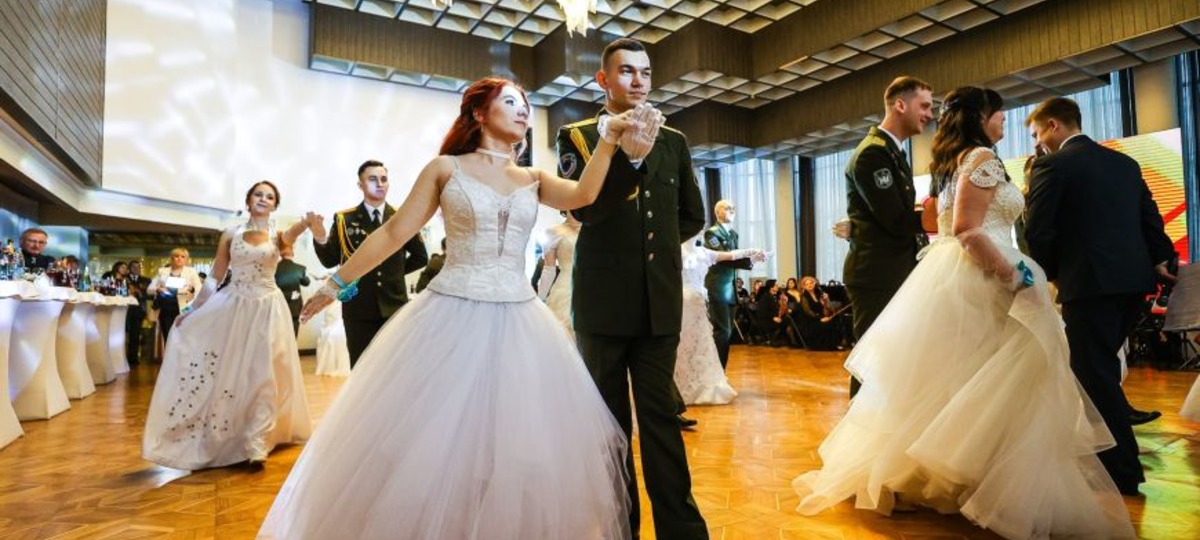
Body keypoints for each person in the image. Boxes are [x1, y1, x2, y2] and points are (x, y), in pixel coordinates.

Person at [258, 77, 643, 539]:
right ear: (479, 113)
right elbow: (393, 232)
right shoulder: (445, 169)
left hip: (521, 320)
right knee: (437, 443)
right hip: (450, 316)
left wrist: (608, 139)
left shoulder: (534, 179)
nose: (523, 110)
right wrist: (337, 281)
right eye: (510, 102)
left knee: (513, 442)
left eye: (525, 104)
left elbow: (584, 195)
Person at [793, 87, 1134, 539]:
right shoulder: (981, 159)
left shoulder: (958, 161)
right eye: (999, 114)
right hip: (984, 275)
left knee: (961, 380)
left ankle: (959, 473)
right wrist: (1013, 275)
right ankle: (983, 479)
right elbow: (967, 230)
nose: (1004, 121)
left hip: (956, 275)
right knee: (999, 379)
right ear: (980, 117)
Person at [556, 37, 709, 539]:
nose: (638, 80)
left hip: (658, 303)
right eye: (626, 71)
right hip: (601, 305)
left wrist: (655, 252)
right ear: (603, 79)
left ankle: (682, 531)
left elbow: (691, 215)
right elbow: (582, 210)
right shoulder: (578, 137)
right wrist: (630, 164)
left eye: (645, 72)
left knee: (662, 422)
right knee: (610, 428)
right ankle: (621, 529)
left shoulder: (674, 139)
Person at [1024, 96, 1176, 497]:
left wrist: (1050, 274)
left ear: (1054, 125)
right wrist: (1162, 258)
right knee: (1101, 369)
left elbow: (1038, 230)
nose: (1037, 143)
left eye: (1037, 133)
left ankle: (1122, 470)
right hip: (1134, 284)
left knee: (1093, 374)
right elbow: (1150, 216)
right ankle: (1110, 461)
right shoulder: (1124, 164)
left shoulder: (1052, 166)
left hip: (1089, 283)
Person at [143, 181, 319, 471]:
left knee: (264, 371)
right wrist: (193, 308)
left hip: (268, 307)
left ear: (275, 205)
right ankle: (231, 432)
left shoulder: (278, 235)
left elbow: (292, 234)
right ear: (248, 201)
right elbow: (215, 276)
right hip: (234, 305)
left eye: (270, 197)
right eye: (258, 194)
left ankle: (257, 442)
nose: (263, 199)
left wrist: (305, 223)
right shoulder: (230, 234)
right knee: (234, 370)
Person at [842, 76, 933, 396]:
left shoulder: (892, 152)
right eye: (924, 106)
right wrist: (945, 214)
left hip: (893, 270)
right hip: (877, 274)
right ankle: (857, 429)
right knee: (872, 365)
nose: (929, 114)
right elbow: (895, 219)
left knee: (892, 363)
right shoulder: (873, 153)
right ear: (900, 105)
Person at [313, 159, 429, 367]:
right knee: (360, 365)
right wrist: (320, 238)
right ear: (360, 184)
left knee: (394, 364)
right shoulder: (344, 219)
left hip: (394, 303)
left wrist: (393, 273)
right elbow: (330, 260)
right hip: (358, 306)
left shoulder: (402, 216)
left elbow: (421, 257)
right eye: (373, 179)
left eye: (384, 179)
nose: (380, 184)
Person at [676, 236, 762, 404]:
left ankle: (699, 383)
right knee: (682, 346)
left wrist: (752, 253)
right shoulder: (678, 250)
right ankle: (680, 384)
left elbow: (731, 255)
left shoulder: (703, 252)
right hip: (681, 305)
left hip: (697, 306)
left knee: (700, 345)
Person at [704, 200, 753, 370]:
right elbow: (722, 257)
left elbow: (735, 258)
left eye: (733, 208)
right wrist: (750, 260)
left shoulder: (733, 234)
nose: (732, 210)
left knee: (728, 331)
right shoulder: (711, 233)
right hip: (718, 287)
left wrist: (751, 259)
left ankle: (720, 372)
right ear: (717, 212)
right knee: (722, 331)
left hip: (730, 289)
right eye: (728, 208)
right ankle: (718, 373)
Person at [537, 211, 581, 337]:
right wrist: (539, 299)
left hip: (590, 285)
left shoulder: (593, 231)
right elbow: (549, 270)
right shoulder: (553, 232)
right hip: (564, 287)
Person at [148, 248, 204, 341]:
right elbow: (149, 289)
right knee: (168, 336)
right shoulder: (162, 271)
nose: (179, 259)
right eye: (176, 256)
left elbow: (199, 290)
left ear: (186, 259)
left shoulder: (191, 271)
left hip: (184, 308)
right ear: (171, 258)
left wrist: (191, 292)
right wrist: (157, 289)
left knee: (183, 337)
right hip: (165, 308)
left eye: (182, 257)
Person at [274, 241, 310, 336]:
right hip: (295, 306)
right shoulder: (300, 268)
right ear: (292, 253)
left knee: (278, 333)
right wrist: (305, 275)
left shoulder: (273, 268)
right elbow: (306, 283)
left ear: (280, 253)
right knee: (293, 333)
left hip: (277, 304)